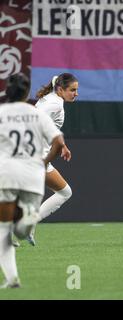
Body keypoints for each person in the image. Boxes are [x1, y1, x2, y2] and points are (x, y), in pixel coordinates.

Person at [0, 73, 64, 288]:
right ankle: (25, 224)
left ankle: (12, 278)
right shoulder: (36, 113)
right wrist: (44, 161)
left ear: (7, 91)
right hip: (32, 174)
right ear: (26, 93)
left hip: (8, 173)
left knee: (4, 229)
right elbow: (58, 141)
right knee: (16, 224)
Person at [23, 73, 78, 246]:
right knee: (64, 192)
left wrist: (62, 145)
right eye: (72, 90)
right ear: (60, 89)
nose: (75, 93)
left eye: (76, 90)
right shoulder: (55, 105)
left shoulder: (51, 98)